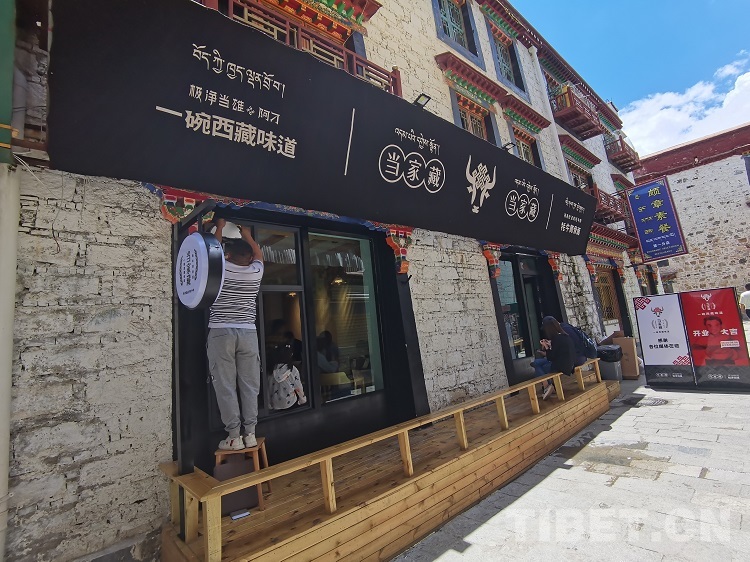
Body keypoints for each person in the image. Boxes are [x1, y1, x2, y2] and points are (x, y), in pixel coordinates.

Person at [207, 218, 264, 451]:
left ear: (228, 255)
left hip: (221, 332)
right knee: (250, 384)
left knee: (225, 384)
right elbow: (259, 255)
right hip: (248, 333)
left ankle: (233, 436)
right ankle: (250, 434)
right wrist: (248, 234)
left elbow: (213, 250)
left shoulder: (221, 268)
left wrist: (220, 227)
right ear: (249, 258)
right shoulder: (255, 272)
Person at [531, 316, 576, 400]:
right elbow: (558, 352)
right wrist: (550, 345)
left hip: (562, 366)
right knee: (536, 362)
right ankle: (550, 386)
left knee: (538, 367)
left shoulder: (556, 339)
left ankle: (547, 387)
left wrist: (546, 346)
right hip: (568, 363)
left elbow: (550, 357)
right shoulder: (565, 335)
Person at [269, 344, 307, 410]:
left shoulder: (270, 370)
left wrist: (269, 404)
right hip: (290, 403)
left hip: (275, 404)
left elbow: (269, 388)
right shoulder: (292, 370)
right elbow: (298, 387)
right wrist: (303, 400)